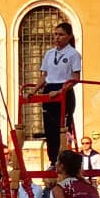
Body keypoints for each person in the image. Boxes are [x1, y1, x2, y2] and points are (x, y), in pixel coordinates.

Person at [31, 20, 81, 162]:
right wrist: (34, 90)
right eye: (55, 34)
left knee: (63, 129)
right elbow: (44, 76)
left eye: (61, 35)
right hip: (49, 91)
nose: (57, 38)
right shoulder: (49, 53)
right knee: (50, 129)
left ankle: (65, 160)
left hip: (64, 91)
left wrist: (60, 91)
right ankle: (53, 160)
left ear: (69, 36)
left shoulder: (73, 54)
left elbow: (75, 78)